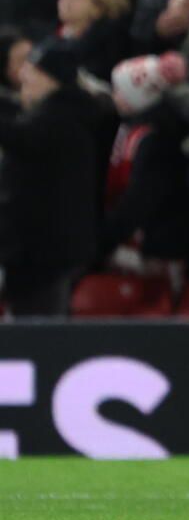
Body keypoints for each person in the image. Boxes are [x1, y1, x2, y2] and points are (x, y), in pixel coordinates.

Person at [0, 41, 106, 316]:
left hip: (46, 251)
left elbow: (21, 138)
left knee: (40, 329)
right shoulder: (53, 112)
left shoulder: (63, 116)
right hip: (35, 249)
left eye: (32, 70)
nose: (23, 75)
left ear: (52, 78)